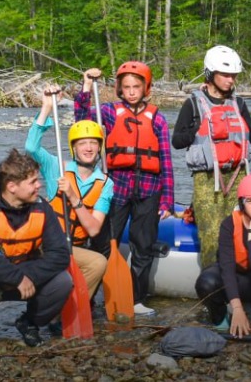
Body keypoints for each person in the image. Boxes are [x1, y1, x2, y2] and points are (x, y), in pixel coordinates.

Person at [76, 61, 174, 317]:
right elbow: (82, 122)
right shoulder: (108, 112)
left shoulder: (158, 119)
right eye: (127, 87)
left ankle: (135, 298)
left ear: (146, 88)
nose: (131, 91)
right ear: (120, 88)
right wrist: (86, 86)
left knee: (143, 247)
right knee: (105, 244)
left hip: (149, 190)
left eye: (136, 87)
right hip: (115, 188)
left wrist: (167, 201)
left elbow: (166, 162)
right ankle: (92, 295)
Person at [0, 149, 73, 350]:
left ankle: (29, 323)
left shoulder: (42, 208)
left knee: (63, 282)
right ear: (12, 186)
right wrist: (15, 278)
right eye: (33, 182)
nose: (40, 185)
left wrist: (24, 276)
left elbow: (60, 255)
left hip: (27, 272)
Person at [172, 45, 251, 268]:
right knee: (211, 235)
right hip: (206, 178)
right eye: (226, 75)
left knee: (239, 230)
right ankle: (212, 284)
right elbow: (178, 141)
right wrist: (198, 130)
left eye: (234, 76)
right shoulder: (193, 104)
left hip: (237, 174)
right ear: (210, 74)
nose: (231, 80)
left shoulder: (238, 103)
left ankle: (240, 280)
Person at [25, 84, 113, 300]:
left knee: (98, 262)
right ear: (74, 148)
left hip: (76, 247)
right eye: (83, 143)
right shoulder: (58, 168)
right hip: (49, 244)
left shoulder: (105, 183)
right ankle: (52, 307)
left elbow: (93, 229)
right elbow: (31, 148)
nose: (89, 148)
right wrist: (46, 107)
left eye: (93, 143)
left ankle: (75, 305)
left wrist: (73, 197)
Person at [194, 173, 251, 336]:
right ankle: (220, 317)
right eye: (250, 200)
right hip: (233, 279)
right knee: (205, 281)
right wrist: (237, 309)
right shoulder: (229, 224)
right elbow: (226, 268)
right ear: (242, 202)